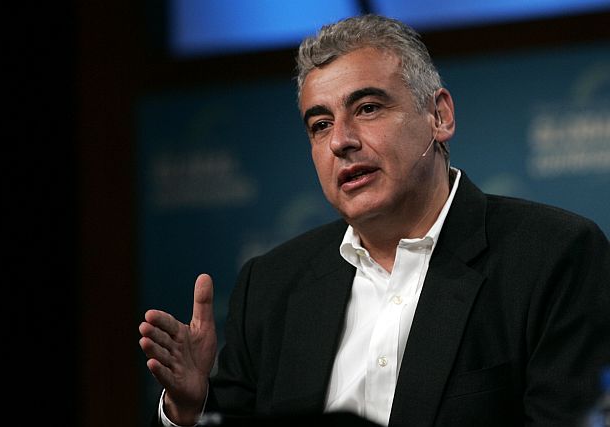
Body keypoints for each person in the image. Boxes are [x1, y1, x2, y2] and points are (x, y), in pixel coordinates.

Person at [139, 14, 610, 427]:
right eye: (320, 124)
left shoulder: (553, 256)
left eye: (367, 108)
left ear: (439, 116)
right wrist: (192, 410)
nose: (341, 140)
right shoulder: (271, 286)